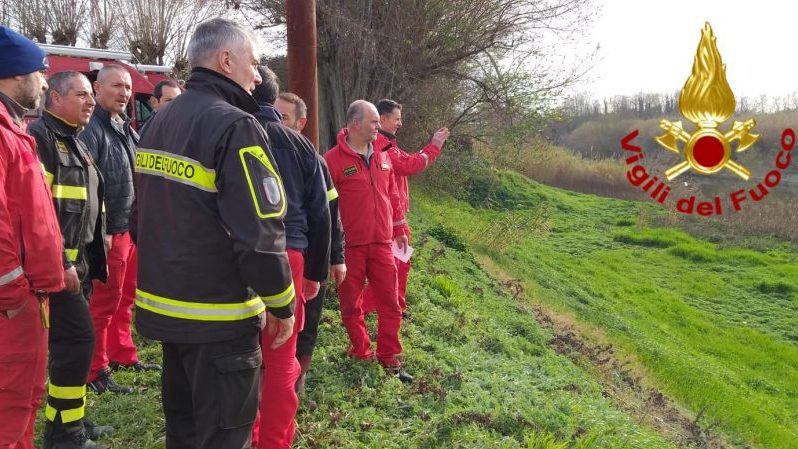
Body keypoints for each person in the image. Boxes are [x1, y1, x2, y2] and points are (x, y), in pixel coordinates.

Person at [132, 18, 296, 449]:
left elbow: (140, 214)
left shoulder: (160, 121)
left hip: (169, 315)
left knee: (184, 434)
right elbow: (260, 234)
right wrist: (283, 303)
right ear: (226, 60)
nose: (258, 75)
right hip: (220, 321)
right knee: (225, 437)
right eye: (254, 63)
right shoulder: (235, 126)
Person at [28, 71, 113, 449]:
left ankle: (71, 420)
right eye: (81, 94)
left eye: (90, 95)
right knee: (77, 343)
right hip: (58, 271)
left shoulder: (76, 141)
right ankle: (65, 435)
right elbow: (39, 210)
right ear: (55, 99)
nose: (90, 101)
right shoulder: (42, 139)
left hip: (80, 270)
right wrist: (61, 261)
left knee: (72, 348)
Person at [250, 67, 331, 449]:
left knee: (241, 352)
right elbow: (321, 214)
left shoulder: (229, 133)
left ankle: (247, 435)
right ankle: (275, 441)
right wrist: (316, 271)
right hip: (292, 255)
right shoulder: (302, 147)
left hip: (239, 254)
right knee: (282, 357)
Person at [0, 25, 64, 449]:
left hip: (27, 298)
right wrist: (14, 290)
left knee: (23, 400)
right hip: (13, 306)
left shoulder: (14, 130)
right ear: (15, 74)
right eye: (39, 73)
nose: (44, 82)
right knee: (11, 403)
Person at [80, 64, 160, 396]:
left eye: (127, 87)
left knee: (125, 297)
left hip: (129, 227)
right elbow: (89, 187)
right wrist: (102, 231)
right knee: (103, 302)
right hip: (109, 232)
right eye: (117, 86)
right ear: (97, 89)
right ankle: (94, 369)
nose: (124, 93)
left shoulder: (124, 126)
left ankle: (122, 352)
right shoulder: (92, 130)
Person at [324, 100, 413, 383]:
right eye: (374, 122)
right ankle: (361, 351)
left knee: (391, 304)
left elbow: (392, 195)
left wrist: (398, 226)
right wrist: (331, 248)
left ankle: (389, 357)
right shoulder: (332, 160)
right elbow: (325, 208)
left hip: (383, 243)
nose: (379, 127)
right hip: (351, 247)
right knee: (350, 305)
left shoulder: (383, 155)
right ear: (355, 125)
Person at [275, 92, 346, 395]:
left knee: (307, 321)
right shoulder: (252, 150)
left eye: (284, 118)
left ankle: (297, 383)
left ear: (301, 123)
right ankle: (269, 385)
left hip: (305, 258)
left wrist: (336, 256)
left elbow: (329, 214)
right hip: (270, 256)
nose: (275, 123)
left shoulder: (313, 160)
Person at [361, 99, 448, 317]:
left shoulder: (387, 143)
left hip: (392, 215)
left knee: (399, 263)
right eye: (397, 119)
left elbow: (407, 161)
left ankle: (394, 307)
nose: (400, 123)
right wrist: (435, 146)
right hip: (388, 217)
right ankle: (370, 308)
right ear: (382, 119)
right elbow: (409, 165)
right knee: (393, 265)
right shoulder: (382, 144)